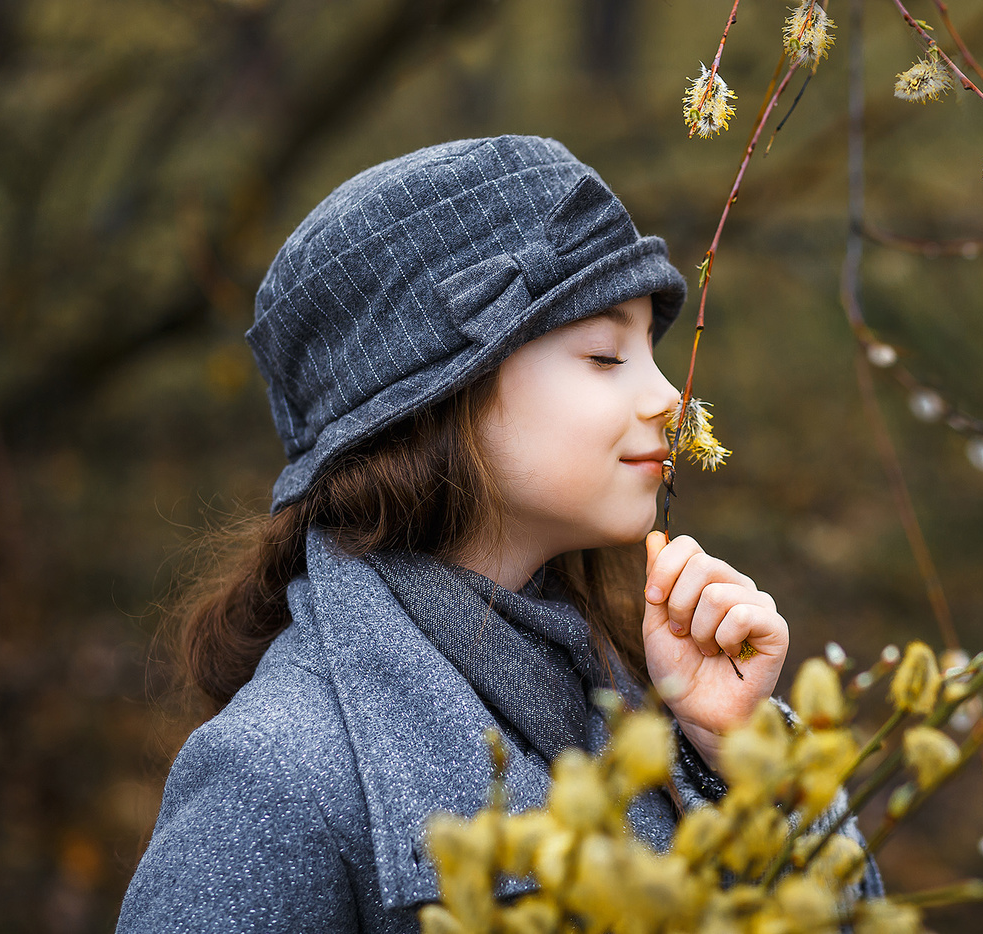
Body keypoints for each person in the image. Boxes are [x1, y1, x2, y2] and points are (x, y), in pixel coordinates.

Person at [117, 135, 879, 933]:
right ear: (438, 394)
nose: (670, 399)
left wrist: (745, 760)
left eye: (650, 349)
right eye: (601, 353)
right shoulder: (279, 772)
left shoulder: (645, 694)